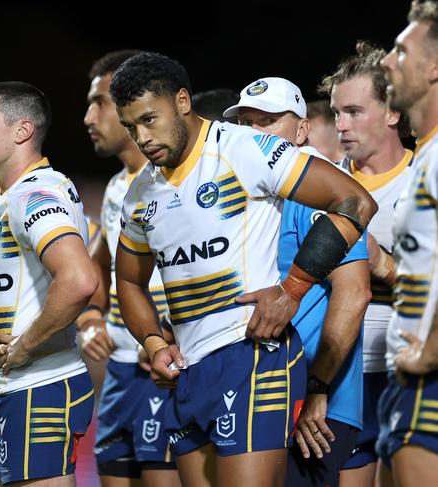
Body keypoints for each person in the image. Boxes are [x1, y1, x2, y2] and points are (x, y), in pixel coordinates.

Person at [110, 52, 377, 487]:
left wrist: (292, 290)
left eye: (149, 120)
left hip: (252, 357)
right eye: (130, 127)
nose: (141, 137)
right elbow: (128, 280)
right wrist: (155, 342)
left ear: (181, 101)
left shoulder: (245, 149)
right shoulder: (140, 193)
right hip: (188, 372)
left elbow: (355, 203)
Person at [224, 76, 371, 487]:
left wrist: (317, 389)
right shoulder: (250, 195)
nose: (254, 133)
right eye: (246, 122)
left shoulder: (315, 191)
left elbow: (355, 291)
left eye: (268, 121)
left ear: (302, 130)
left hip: (313, 405)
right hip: (264, 394)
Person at [0, 81, 97, 487]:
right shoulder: (13, 195)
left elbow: (78, 279)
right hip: (10, 391)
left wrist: (25, 346)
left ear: (22, 131)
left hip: (40, 389)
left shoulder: (35, 193)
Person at [81, 50, 182, 487]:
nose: (89, 117)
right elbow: (98, 264)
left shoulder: (177, 181)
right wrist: (88, 316)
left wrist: (166, 338)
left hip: (164, 369)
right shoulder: (118, 188)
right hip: (122, 370)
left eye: (99, 102)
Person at [317, 40, 414, 487]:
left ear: (392, 112)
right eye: (337, 113)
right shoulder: (319, 183)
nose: (341, 125)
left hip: (403, 371)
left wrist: (380, 263)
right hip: (338, 376)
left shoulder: (423, 180)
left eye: (354, 112)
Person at [378, 2, 438, 486]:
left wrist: (430, 351)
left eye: (400, 50)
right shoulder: (427, 154)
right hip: (410, 377)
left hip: (428, 378)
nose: (386, 61)